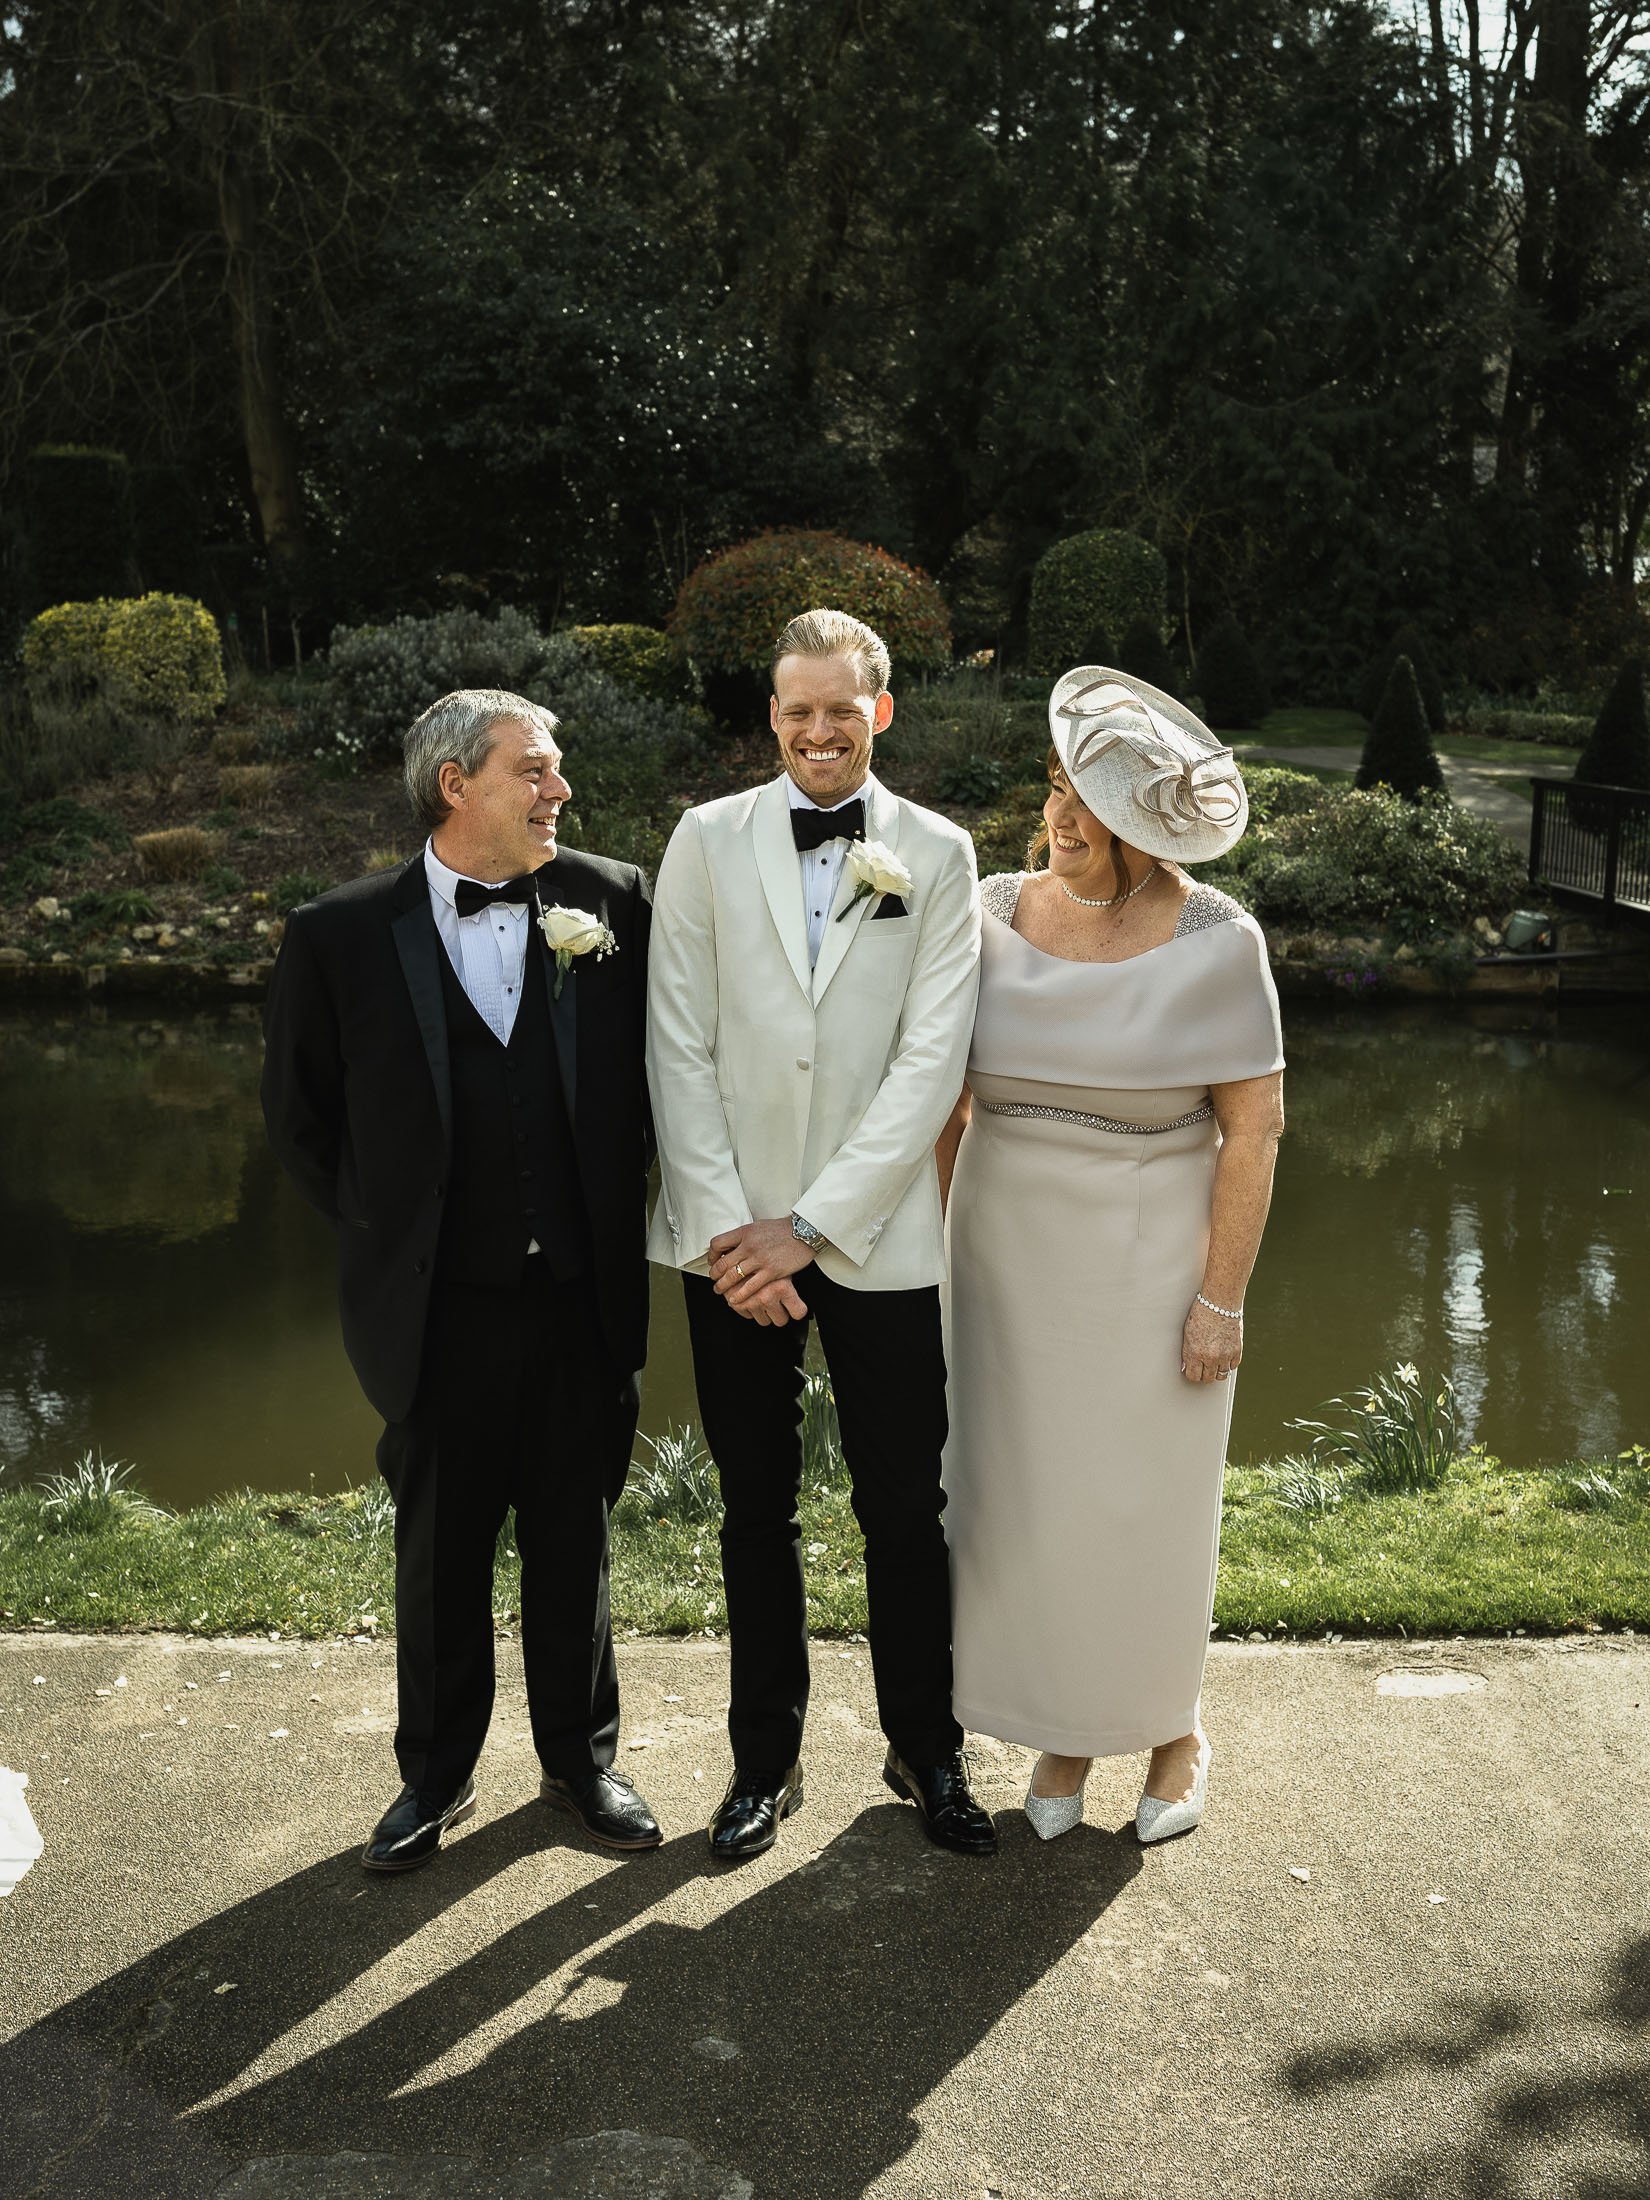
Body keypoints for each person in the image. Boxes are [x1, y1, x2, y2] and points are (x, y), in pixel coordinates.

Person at [261, 688, 661, 1871]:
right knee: (439, 1550)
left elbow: (659, 1080)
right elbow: (301, 1122)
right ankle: (433, 1777)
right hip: (435, 1310)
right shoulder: (336, 934)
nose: (561, 791)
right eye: (535, 771)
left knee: (573, 1537)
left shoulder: (613, 899)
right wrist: (399, 1234)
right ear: (457, 785)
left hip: (580, 1298)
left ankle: (583, 1761)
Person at [646, 608, 996, 1862]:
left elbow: (932, 1062)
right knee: (755, 1510)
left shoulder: (941, 855)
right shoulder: (703, 839)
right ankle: (763, 1763)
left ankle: (929, 1748)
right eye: (796, 709)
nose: (816, 730)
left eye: (839, 708)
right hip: (728, 1244)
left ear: (880, 712)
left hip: (879, 1238)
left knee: (907, 1505)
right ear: (772, 717)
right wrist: (735, 1233)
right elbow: (674, 1042)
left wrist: (811, 1226)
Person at [938, 666, 1284, 1844]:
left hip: (1148, 1263)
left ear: (1148, 830)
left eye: (1094, 805)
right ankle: (1065, 1727)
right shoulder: (985, 908)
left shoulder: (1219, 940)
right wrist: (938, 1243)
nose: (1063, 821)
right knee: (1026, 1502)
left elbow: (1255, 1127)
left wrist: (1219, 1300)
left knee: (1140, 1504)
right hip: (999, 1258)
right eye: (1058, 791)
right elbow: (938, 1098)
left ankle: (1174, 1728)